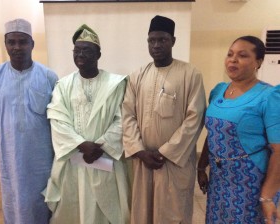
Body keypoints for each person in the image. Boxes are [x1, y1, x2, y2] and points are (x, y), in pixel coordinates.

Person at [122, 15, 206, 224]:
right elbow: (128, 115)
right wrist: (140, 151)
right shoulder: (137, 75)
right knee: (143, 212)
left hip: (173, 162)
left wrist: (164, 152)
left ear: (173, 41)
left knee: (172, 212)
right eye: (152, 40)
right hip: (143, 162)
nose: (156, 45)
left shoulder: (190, 74)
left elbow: (194, 119)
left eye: (162, 40)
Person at [44, 24, 130, 224]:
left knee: (110, 209)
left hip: (106, 156)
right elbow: (58, 118)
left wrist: (101, 145)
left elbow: (123, 118)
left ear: (99, 54)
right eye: (77, 50)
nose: (80, 54)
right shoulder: (63, 85)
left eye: (87, 50)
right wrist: (82, 145)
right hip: (75, 158)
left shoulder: (116, 84)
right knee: (77, 208)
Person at [197, 35, 280, 224]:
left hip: (251, 182)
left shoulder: (269, 96)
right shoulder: (219, 90)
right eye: (230, 54)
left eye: (242, 55)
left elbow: (278, 150)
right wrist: (201, 166)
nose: (233, 60)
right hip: (219, 178)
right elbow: (213, 132)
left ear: (258, 62)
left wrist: (267, 195)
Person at [0, 18, 58, 224]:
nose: (17, 47)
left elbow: (56, 118)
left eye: (23, 41)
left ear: (32, 44)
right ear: (5, 44)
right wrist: (11, 134)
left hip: (41, 155)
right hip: (10, 152)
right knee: (14, 198)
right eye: (12, 42)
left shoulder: (48, 77)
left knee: (42, 199)